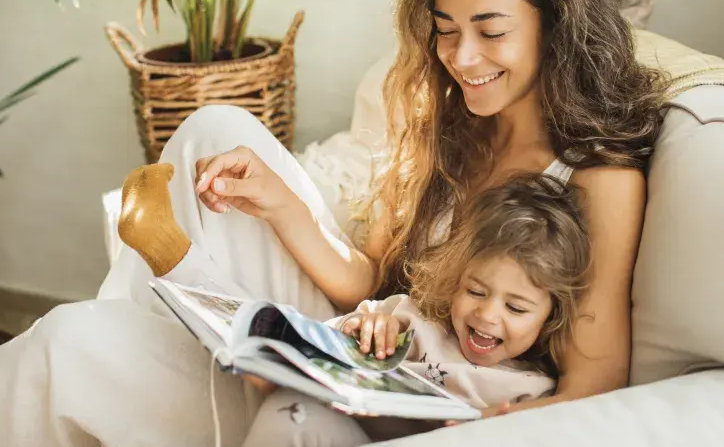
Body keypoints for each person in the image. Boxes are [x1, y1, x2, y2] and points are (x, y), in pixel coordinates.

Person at [0, 0, 666, 446]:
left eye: (490, 29)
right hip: (371, 346)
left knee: (80, 348)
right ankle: (171, 325)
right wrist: (279, 207)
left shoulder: (598, 176)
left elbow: (595, 386)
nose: (461, 57)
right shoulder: (454, 131)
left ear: (555, 25)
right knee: (215, 131)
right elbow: (363, 285)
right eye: (446, 29)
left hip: (427, 399)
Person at [244, 172, 591, 447]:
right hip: (357, 432)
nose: (487, 315)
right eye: (475, 291)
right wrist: (365, 328)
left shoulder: (532, 392)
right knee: (287, 413)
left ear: (550, 316)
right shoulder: (412, 322)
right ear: (455, 280)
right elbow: (328, 342)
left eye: (515, 308)